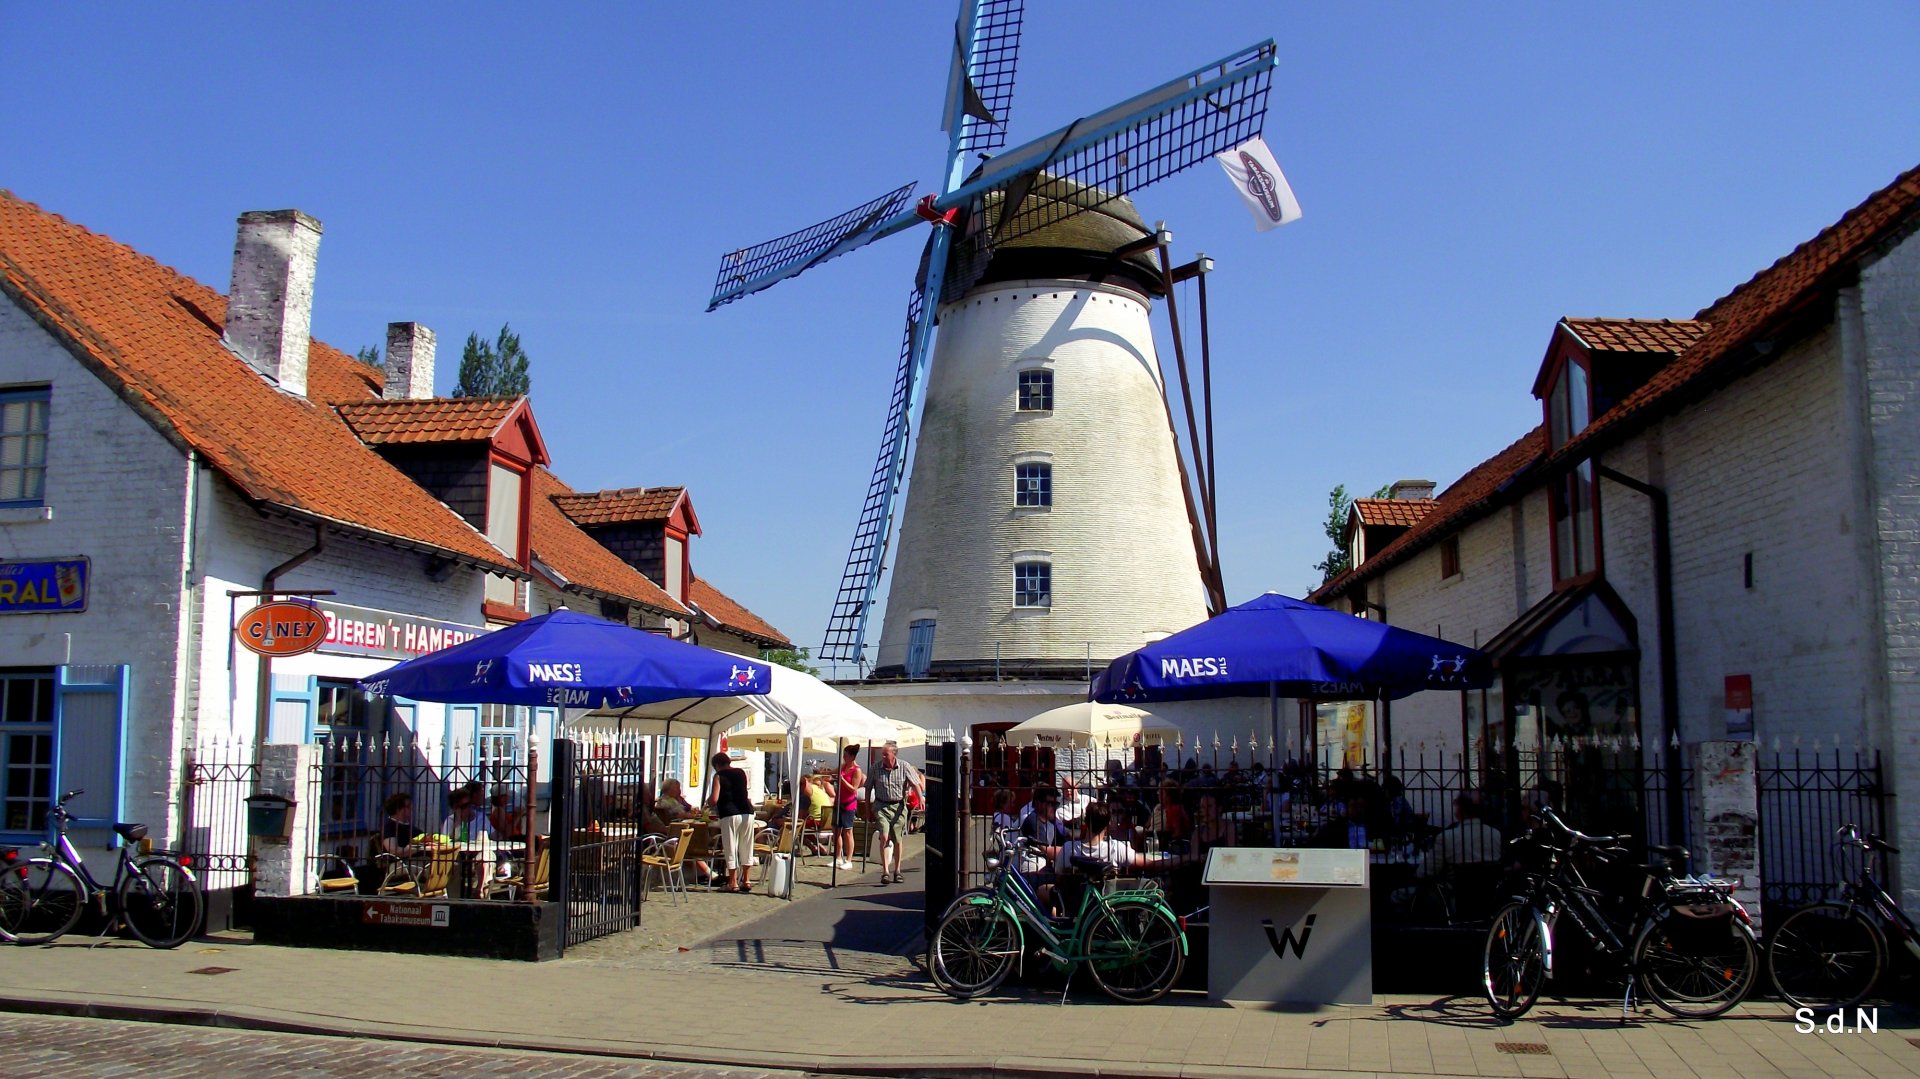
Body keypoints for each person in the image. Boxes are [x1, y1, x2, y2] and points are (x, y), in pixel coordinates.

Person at [866, 740, 922, 885]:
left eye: (885, 754)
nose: (882, 757)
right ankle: (885, 871)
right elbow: (867, 788)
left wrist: (920, 798)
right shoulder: (875, 768)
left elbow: (916, 783)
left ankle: (897, 870)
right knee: (884, 836)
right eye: (882, 754)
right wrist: (867, 807)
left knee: (897, 839)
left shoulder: (904, 766)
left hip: (898, 806)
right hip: (881, 806)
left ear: (894, 754)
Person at [706, 751, 755, 893]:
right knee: (747, 845)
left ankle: (732, 882)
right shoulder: (740, 773)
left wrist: (708, 802)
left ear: (716, 765)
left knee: (730, 846)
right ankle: (746, 880)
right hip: (747, 811)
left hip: (729, 813)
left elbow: (714, 799)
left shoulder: (719, 776)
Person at [835, 744, 864, 871]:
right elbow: (833, 772)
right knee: (836, 830)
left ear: (852, 757)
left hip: (849, 804)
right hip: (838, 802)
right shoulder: (843, 766)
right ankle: (837, 857)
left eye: (846, 756)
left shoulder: (857, 770)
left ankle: (849, 859)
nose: (844, 758)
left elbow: (854, 789)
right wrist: (823, 772)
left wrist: (842, 780)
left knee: (848, 831)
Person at [1191, 791, 1237, 859]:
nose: (1205, 810)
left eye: (1209, 806)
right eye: (1203, 807)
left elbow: (1230, 854)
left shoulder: (1229, 828)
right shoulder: (1199, 832)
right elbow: (1193, 857)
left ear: (1219, 808)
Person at [379, 792, 418, 856]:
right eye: (408, 806)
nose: (412, 809)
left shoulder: (409, 826)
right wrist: (417, 848)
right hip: (404, 863)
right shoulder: (389, 826)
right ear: (398, 809)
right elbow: (393, 850)